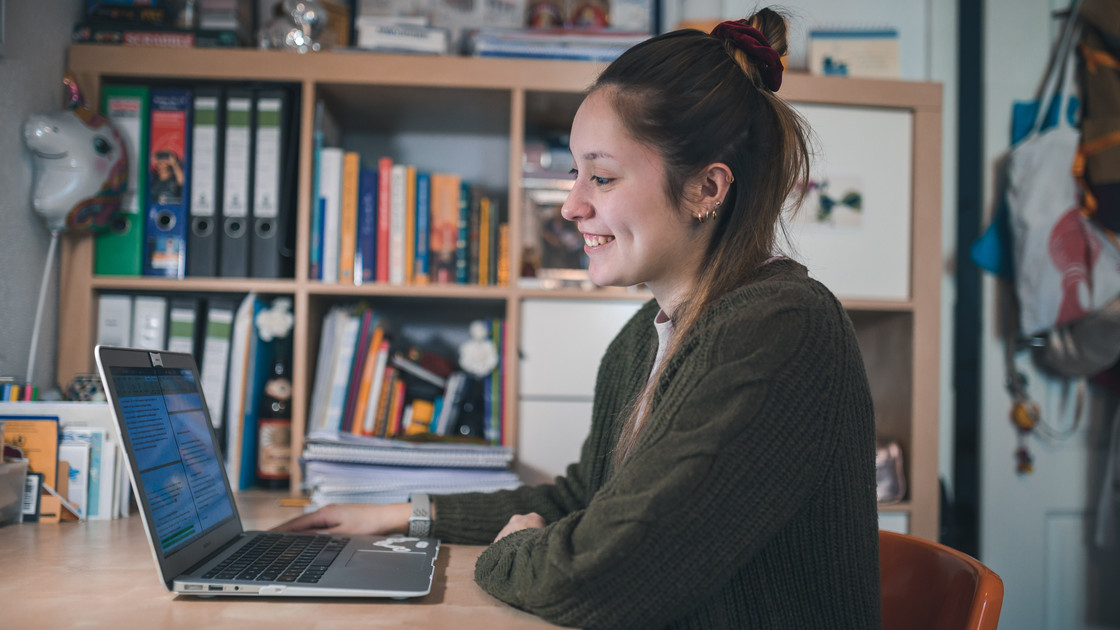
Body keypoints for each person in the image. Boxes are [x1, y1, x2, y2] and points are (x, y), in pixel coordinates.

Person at [276, 8, 882, 628]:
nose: (571, 205)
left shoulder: (780, 329)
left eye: (602, 176)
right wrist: (402, 514)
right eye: (574, 173)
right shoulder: (641, 340)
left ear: (707, 188)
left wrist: (513, 550)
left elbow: (608, 574)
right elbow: (582, 500)